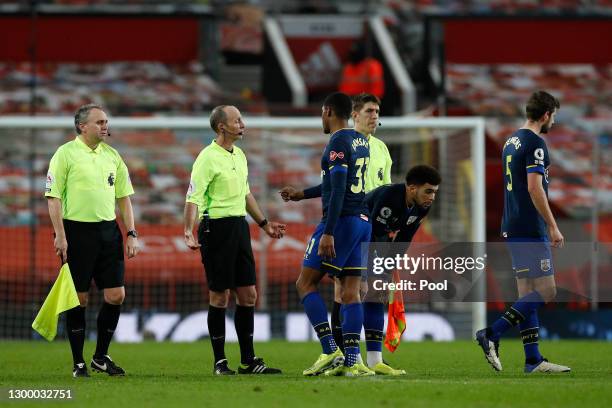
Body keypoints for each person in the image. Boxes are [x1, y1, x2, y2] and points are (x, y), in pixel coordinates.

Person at [184, 105, 286, 376]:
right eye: (237, 120)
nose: (242, 124)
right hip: (215, 228)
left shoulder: (239, 155)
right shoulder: (206, 158)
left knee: (249, 294)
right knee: (220, 296)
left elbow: (246, 194)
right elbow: (193, 196)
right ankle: (220, 362)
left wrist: (264, 224)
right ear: (222, 127)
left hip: (239, 227)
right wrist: (187, 229)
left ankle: (249, 360)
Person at [476, 91, 570, 373]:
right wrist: (552, 225)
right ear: (546, 115)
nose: (553, 120)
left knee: (527, 292)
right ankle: (491, 333)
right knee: (548, 291)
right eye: (553, 115)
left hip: (512, 223)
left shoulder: (511, 141)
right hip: (530, 225)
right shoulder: (535, 143)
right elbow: (533, 187)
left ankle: (533, 359)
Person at [281, 92, 373, 377]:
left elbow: (338, 190)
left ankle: (329, 348)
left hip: (341, 221)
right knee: (350, 292)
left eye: (322, 113)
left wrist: (328, 232)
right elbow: (335, 184)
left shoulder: (337, 142)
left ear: (328, 111)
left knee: (304, 284)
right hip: (362, 222)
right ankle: (352, 361)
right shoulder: (360, 141)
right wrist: (302, 195)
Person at [45, 103, 139, 378]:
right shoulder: (65, 154)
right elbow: (54, 197)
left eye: (106, 121)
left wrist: (131, 233)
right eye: (99, 122)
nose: (105, 126)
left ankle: (100, 356)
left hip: (109, 232)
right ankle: (78, 362)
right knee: (79, 299)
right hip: (77, 233)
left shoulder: (112, 156)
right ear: (82, 126)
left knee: (116, 295)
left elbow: (124, 198)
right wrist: (60, 235)